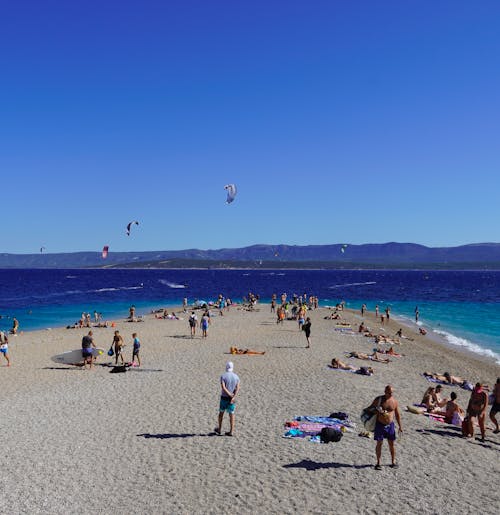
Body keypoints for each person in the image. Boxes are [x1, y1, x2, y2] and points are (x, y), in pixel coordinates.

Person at [370, 385, 403, 470]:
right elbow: (370, 409)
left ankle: (393, 462)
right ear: (385, 392)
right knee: (379, 443)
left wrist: (400, 426)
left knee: (391, 444)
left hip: (390, 425)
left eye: (392, 392)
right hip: (380, 424)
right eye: (389, 392)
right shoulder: (379, 400)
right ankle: (378, 463)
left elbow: (397, 414)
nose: (391, 394)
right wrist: (377, 411)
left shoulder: (394, 401)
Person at [215, 361, 240, 436]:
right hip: (232, 399)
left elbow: (223, 387)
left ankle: (219, 429)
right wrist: (233, 396)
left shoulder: (223, 376)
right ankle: (231, 431)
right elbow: (238, 388)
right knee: (231, 414)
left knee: (221, 413)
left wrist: (229, 394)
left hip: (224, 398)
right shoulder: (236, 377)